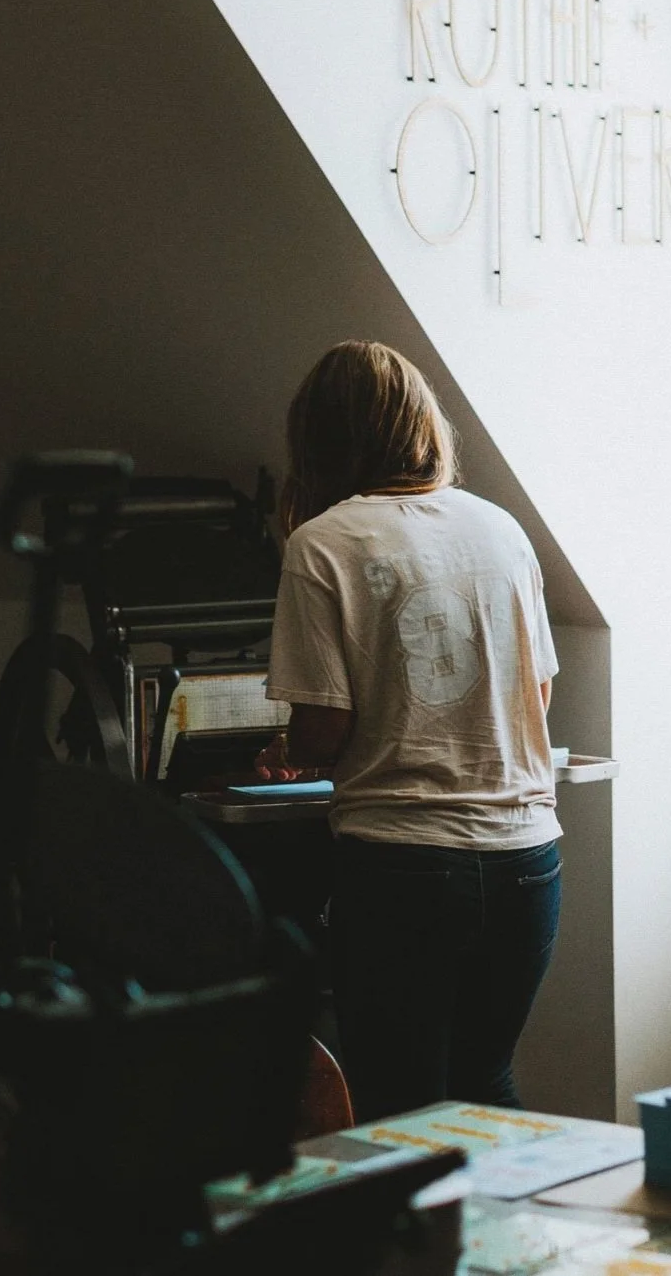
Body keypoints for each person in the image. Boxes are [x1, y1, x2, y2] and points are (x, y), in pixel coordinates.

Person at [257, 339, 561, 1122]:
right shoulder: (501, 530)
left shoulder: (321, 542)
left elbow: (324, 730)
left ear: (318, 438)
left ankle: (416, 1248)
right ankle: (506, 1245)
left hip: (404, 867)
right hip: (528, 858)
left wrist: (286, 753)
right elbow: (540, 693)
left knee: (399, 1103)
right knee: (484, 1084)